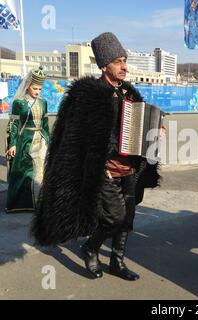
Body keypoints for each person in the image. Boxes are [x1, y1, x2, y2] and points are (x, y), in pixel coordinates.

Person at [31, 33, 163, 281]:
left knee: (128, 220)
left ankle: (117, 261)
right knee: (115, 217)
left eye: (125, 60)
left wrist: (155, 130)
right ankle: (91, 248)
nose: (124, 66)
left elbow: (142, 128)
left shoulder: (129, 94)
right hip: (105, 171)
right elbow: (75, 139)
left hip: (130, 170)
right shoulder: (88, 95)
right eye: (118, 61)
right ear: (104, 66)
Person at [5, 67, 50, 213]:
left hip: (41, 140)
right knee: (25, 172)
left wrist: (49, 140)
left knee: (42, 170)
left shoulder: (43, 103)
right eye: (35, 88)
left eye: (40, 89)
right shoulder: (19, 103)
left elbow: (44, 124)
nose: (37, 91)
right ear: (28, 86)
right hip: (25, 140)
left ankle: (41, 202)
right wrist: (12, 144)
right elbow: (14, 124)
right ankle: (23, 202)